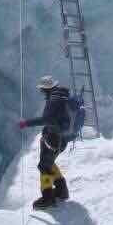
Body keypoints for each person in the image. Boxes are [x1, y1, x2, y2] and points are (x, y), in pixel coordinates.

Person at [19, 75, 71, 209]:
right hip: (62, 138)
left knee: (44, 166)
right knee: (49, 163)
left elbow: (45, 120)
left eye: (42, 89)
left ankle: (47, 198)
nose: (41, 92)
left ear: (46, 89)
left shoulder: (53, 100)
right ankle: (62, 191)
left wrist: (26, 123)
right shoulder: (62, 97)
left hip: (53, 138)